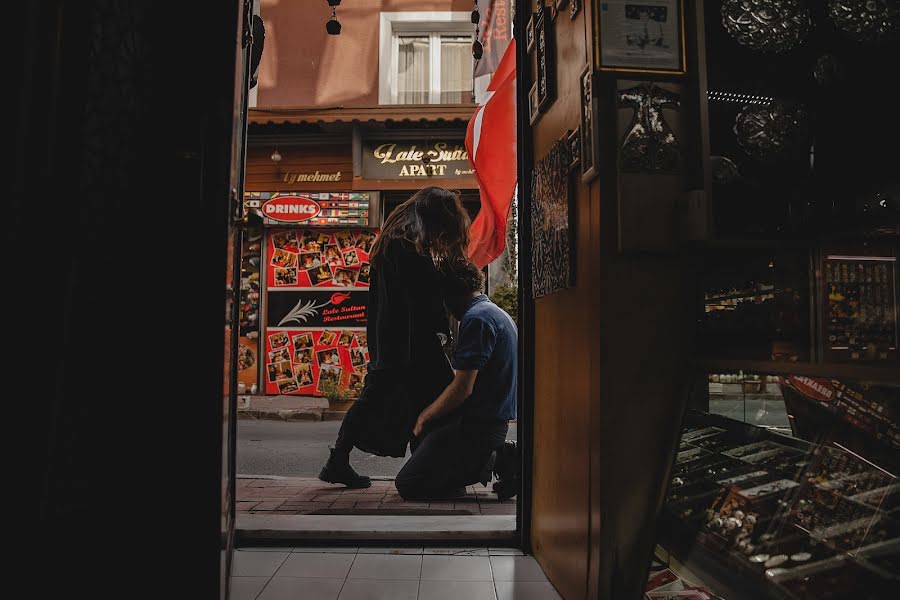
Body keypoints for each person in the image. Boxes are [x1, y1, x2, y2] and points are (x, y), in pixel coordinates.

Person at [318, 187, 470, 488]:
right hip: (408, 343)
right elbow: (426, 299)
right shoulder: (410, 246)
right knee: (434, 398)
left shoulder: (397, 238)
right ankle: (427, 466)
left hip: (391, 339)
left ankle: (341, 460)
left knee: (385, 398)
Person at [394, 260, 519, 501]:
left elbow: (463, 388)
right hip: (490, 423)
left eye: (444, 298)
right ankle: (477, 464)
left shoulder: (477, 320)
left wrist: (425, 416)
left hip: (478, 429)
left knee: (409, 484)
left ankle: (500, 459)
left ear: (452, 292)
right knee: (429, 452)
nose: (446, 308)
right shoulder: (497, 314)